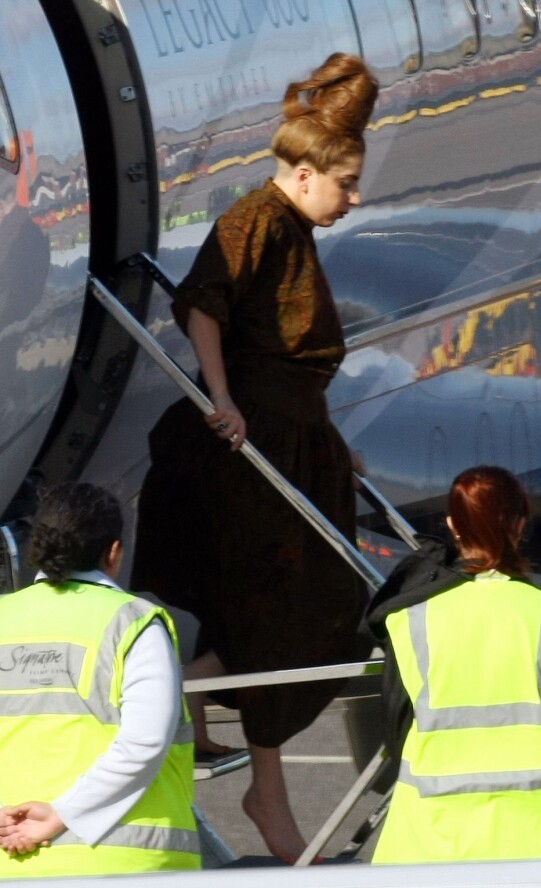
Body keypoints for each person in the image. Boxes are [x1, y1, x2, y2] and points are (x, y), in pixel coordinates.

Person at [130, 52, 378, 861]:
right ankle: (192, 702)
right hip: (257, 440)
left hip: (298, 437)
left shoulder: (293, 227)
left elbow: (289, 354)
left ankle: (250, 768)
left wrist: (334, 443)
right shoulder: (256, 221)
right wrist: (221, 399)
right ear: (303, 175)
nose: (354, 197)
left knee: (305, 607)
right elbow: (203, 308)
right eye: (344, 182)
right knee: (285, 605)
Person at [366, 465, 541, 864]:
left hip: (431, 843)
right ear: (520, 523)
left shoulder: (409, 621)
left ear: (452, 525)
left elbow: (396, 732)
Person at [0, 483, 200, 877]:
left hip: (10, 859)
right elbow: (144, 741)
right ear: (113, 552)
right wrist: (63, 814)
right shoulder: (133, 621)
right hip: (124, 862)